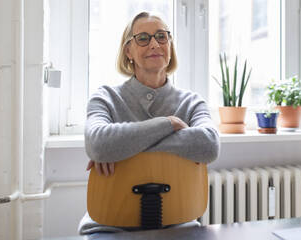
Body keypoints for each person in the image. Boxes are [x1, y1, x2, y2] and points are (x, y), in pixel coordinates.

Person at [78, 12, 220, 235]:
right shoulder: (105, 97)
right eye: (143, 38)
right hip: (109, 227)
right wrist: (168, 123)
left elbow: (209, 146)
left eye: (161, 36)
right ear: (128, 51)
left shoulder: (192, 102)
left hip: (180, 225)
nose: (154, 43)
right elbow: (98, 144)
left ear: (170, 46)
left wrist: (120, 147)